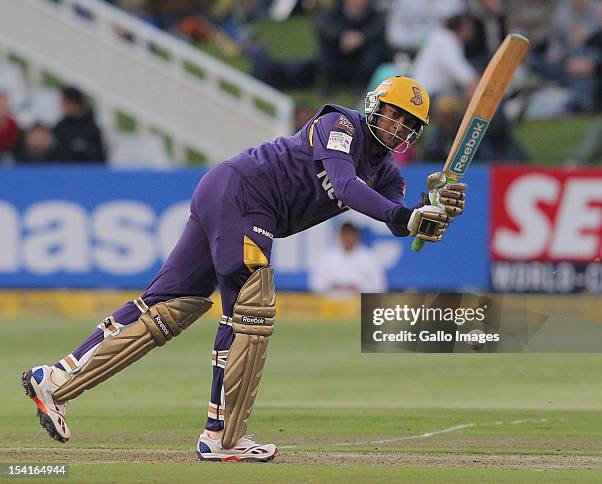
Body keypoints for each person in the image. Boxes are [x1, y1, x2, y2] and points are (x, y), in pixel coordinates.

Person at [22, 76, 468, 462]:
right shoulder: (340, 124)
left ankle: (55, 379)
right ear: (375, 107)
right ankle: (222, 437)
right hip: (244, 193)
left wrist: (432, 211)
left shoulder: (386, 170)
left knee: (169, 307)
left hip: (231, 196)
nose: (398, 127)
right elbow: (348, 188)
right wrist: (408, 216)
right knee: (251, 307)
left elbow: (401, 220)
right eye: (393, 115)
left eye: (408, 124)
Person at [316, 0, 388, 90]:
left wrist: (362, 37)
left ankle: (362, 82)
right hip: (338, 52)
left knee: (375, 47)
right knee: (326, 46)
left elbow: (378, 28)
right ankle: (330, 81)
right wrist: (342, 36)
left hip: (363, 53)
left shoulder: (375, 11)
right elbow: (323, 26)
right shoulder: (333, 9)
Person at [309, 222, 387, 297]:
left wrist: (358, 288)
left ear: (357, 236)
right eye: (344, 235)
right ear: (339, 236)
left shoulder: (369, 258)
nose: (347, 238)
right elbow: (315, 284)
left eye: (350, 235)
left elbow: (379, 287)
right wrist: (333, 287)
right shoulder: (326, 257)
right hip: (330, 305)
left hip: (359, 305)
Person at [53, 86, 106, 163]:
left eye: (65, 103)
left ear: (74, 103)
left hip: (86, 171)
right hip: (64, 171)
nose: (62, 107)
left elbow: (99, 156)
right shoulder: (60, 127)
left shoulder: (92, 128)